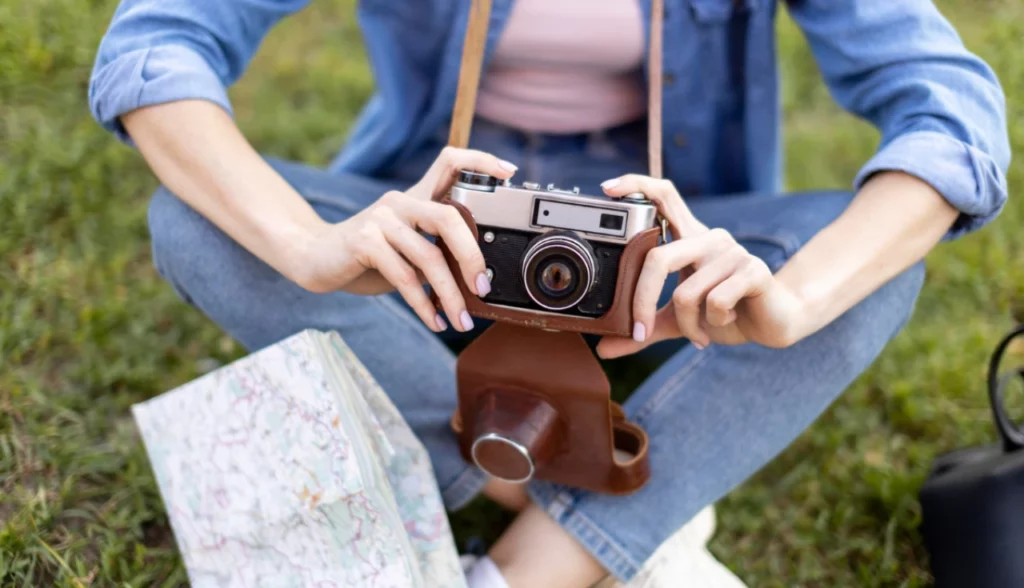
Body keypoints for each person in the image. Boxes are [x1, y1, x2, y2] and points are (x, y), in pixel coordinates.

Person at [89, 0, 1009, 586]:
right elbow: (156, 40)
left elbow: (952, 109)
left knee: (863, 272)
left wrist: (791, 304)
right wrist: (314, 250)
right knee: (195, 220)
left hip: (657, 278)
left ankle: (535, 556)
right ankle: (570, 490)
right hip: (440, 244)